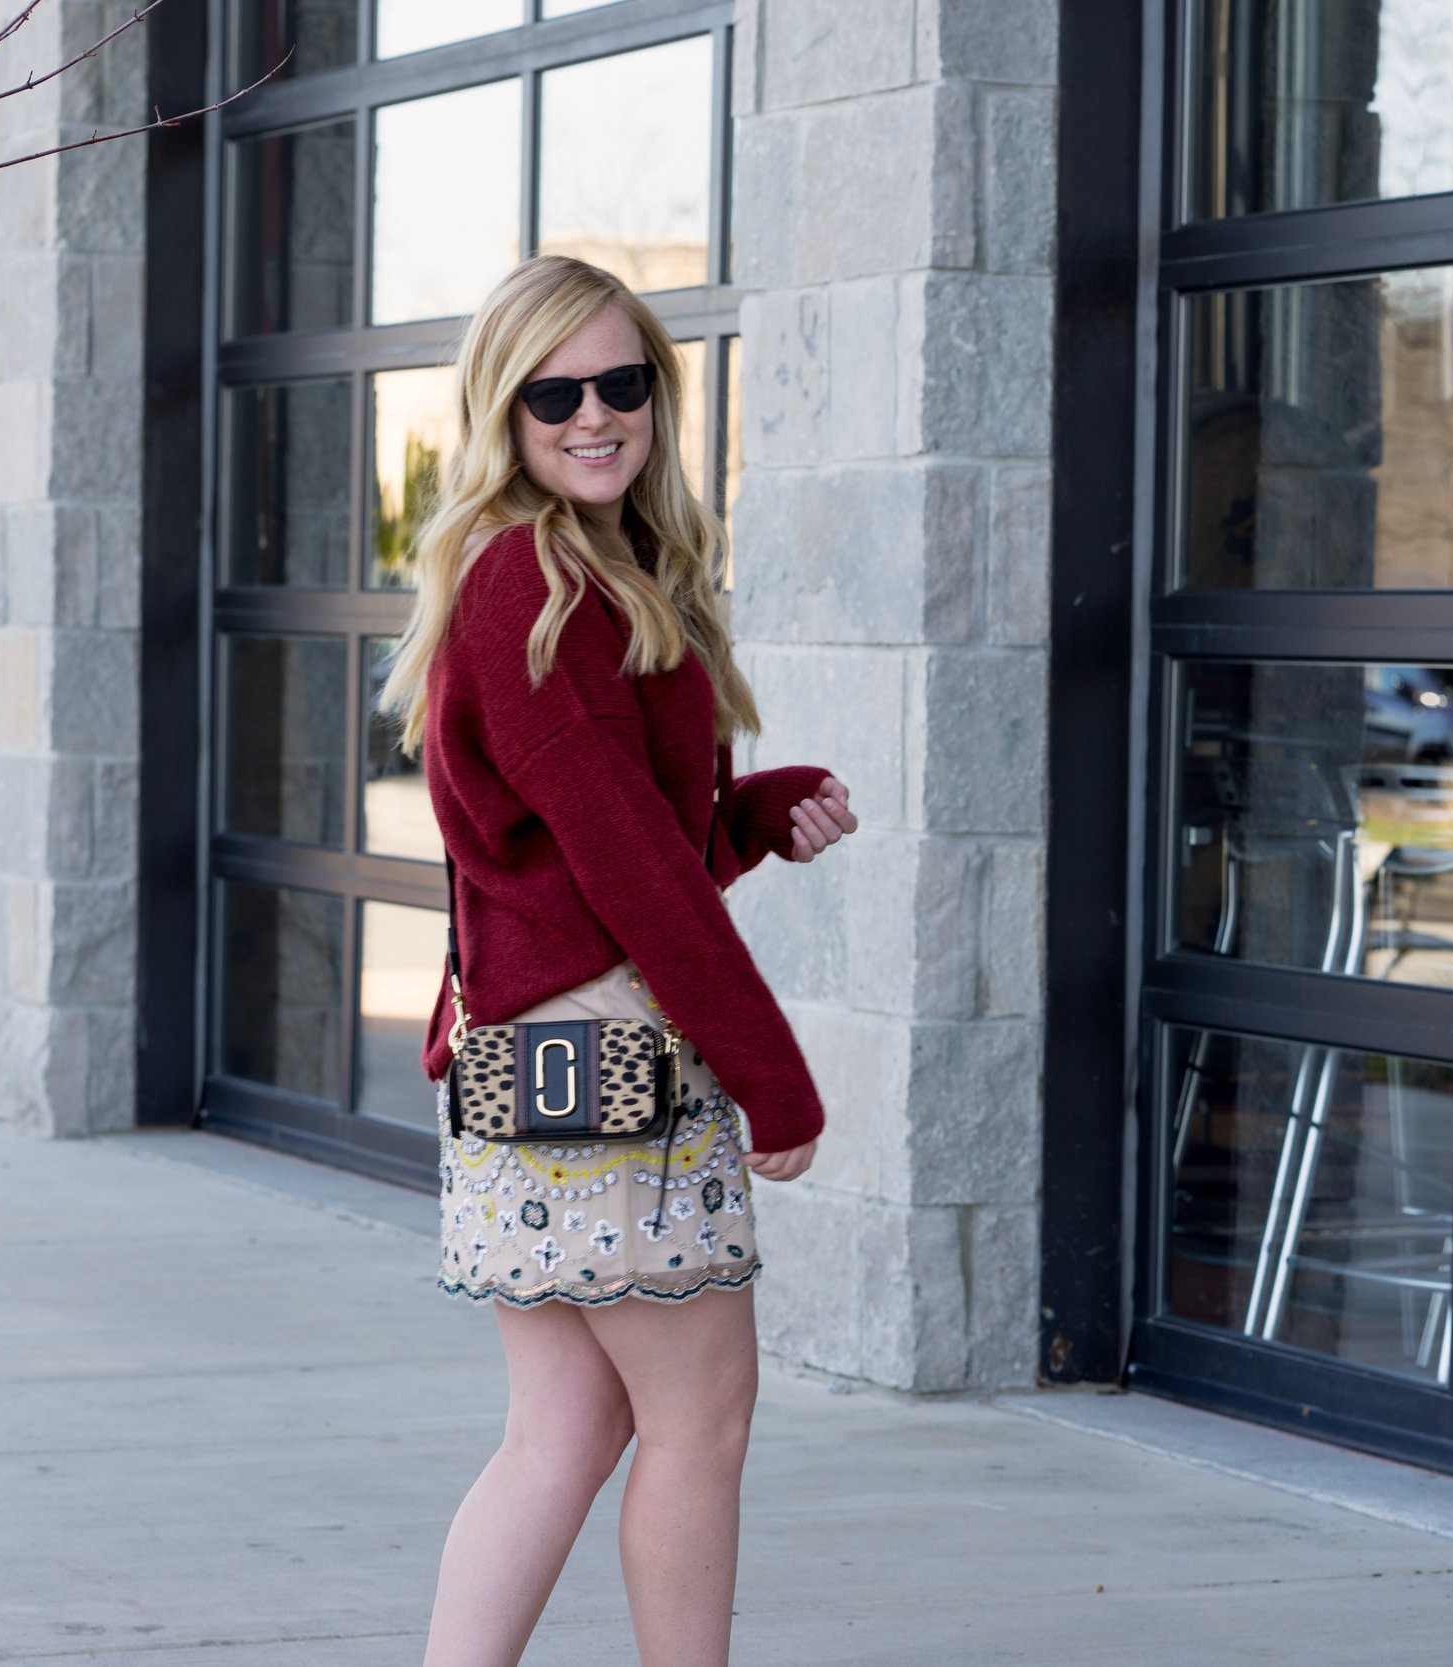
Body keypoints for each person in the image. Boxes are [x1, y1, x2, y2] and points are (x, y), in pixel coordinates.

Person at [378, 254, 858, 1667]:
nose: (596, 416)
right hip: (612, 1056)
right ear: (502, 411)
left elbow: (603, 843)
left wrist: (752, 817)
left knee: (565, 1430)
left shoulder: (578, 571)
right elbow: (630, 877)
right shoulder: (533, 581)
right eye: (555, 393)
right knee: (698, 1425)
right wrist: (779, 1083)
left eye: (624, 383)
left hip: (538, 1048)